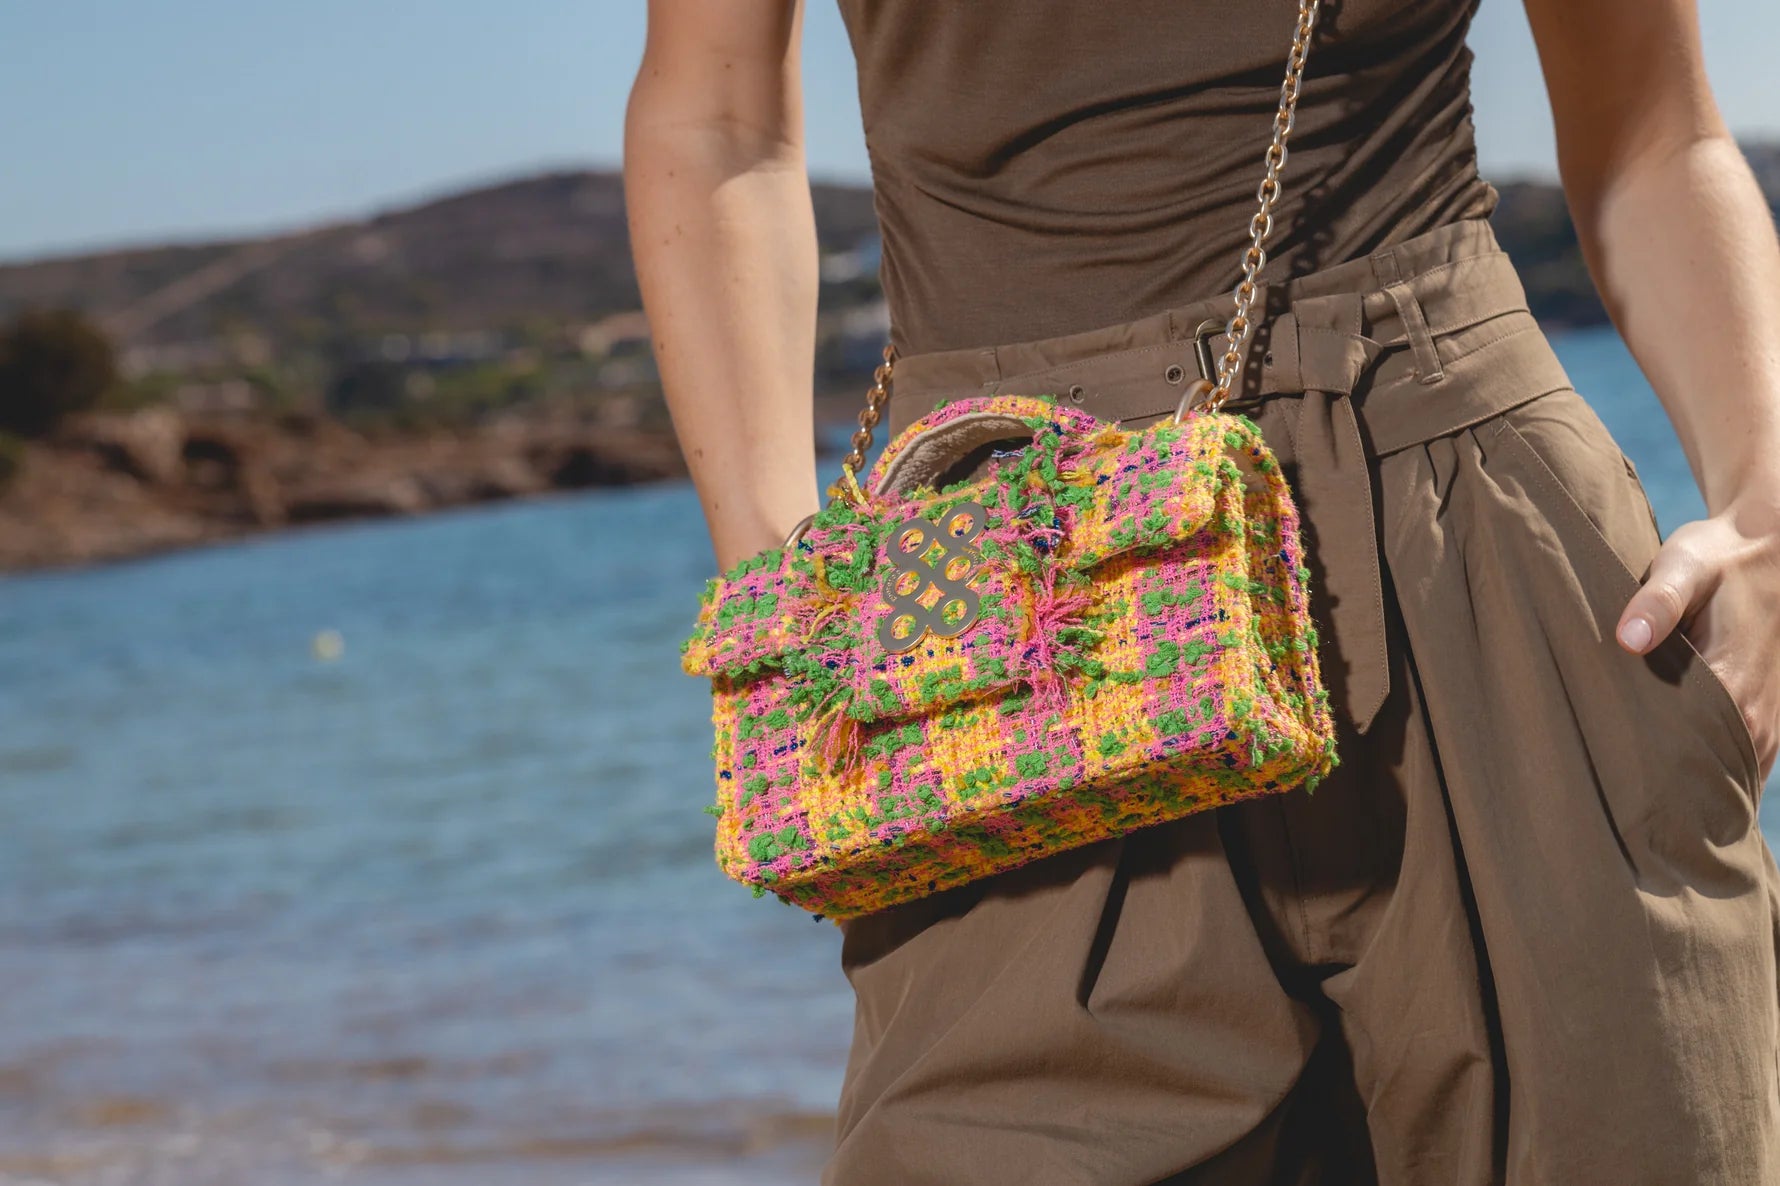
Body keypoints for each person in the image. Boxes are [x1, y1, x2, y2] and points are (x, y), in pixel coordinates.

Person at [623, 0, 1780, 1180]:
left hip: (1473, 551)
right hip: (998, 613)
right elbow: (717, 116)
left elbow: (1653, 129)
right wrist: (784, 588)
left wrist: (1768, 512)